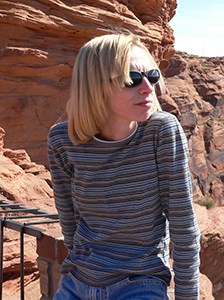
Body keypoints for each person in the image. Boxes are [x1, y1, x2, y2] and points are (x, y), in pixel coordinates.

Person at [48, 33, 200, 300]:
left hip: (140, 283)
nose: (147, 88)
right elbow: (69, 218)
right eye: (132, 79)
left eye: (152, 76)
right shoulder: (63, 140)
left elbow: (183, 225)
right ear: (95, 85)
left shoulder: (161, 132)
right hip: (78, 282)